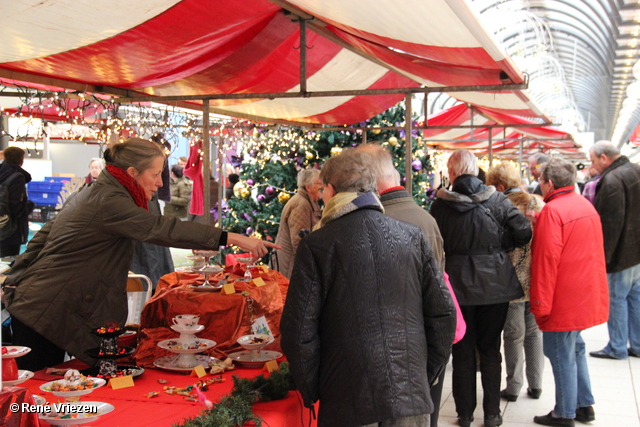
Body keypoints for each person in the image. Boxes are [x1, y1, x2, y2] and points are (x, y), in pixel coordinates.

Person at [2, 138, 279, 371]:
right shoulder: (110, 201)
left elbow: (41, 240)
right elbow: (160, 228)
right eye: (155, 174)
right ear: (133, 173)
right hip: (47, 309)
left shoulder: (97, 191)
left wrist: (14, 281)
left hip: (41, 304)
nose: (160, 183)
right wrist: (228, 237)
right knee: (36, 403)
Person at [281, 149, 456, 427]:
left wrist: (313, 389)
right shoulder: (412, 236)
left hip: (347, 398)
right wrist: (422, 374)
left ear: (330, 190)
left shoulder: (318, 244)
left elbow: (297, 332)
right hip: (409, 399)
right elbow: (444, 314)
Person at [355, 143, 463, 427]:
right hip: (419, 346)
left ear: (369, 179)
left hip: (389, 350)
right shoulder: (425, 218)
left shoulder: (376, 220)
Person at [430, 150, 532, 427]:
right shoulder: (497, 200)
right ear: (476, 171)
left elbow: (433, 245)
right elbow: (524, 232)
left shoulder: (440, 206)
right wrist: (500, 246)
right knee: (490, 349)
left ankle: (464, 415)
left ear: (451, 173)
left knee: (462, 350)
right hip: (495, 286)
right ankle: (492, 414)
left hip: (458, 287)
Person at [529, 158, 608, 426]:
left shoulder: (553, 211)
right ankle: (584, 405)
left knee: (559, 353)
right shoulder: (583, 205)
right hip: (584, 292)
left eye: (540, 180)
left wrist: (540, 303)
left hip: (563, 296)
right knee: (575, 349)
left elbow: (546, 262)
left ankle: (564, 413)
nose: (539, 185)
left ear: (549, 183)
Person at [486, 162, 545, 402]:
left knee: (513, 334)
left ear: (500, 186)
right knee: (534, 333)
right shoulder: (537, 202)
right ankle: (536, 384)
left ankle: (513, 386)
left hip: (510, 281)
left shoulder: (499, 206)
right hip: (537, 279)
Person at [587, 140, 640, 360]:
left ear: (604, 158)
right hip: (636, 251)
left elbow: (610, 224)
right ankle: (637, 344)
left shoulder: (612, 180)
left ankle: (617, 347)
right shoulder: (635, 171)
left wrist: (603, 259)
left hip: (621, 254)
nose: (592, 165)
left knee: (617, 298)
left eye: (592, 161)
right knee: (635, 297)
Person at [274, 168, 322, 279]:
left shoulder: (307, 202)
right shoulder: (301, 204)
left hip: (290, 263)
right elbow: (299, 241)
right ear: (308, 187)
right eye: (319, 183)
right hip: (289, 266)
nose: (322, 187)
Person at [0, 147, 35, 258]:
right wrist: (30, 205)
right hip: (10, 229)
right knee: (9, 265)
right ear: (21, 161)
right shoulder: (17, 178)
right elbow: (16, 209)